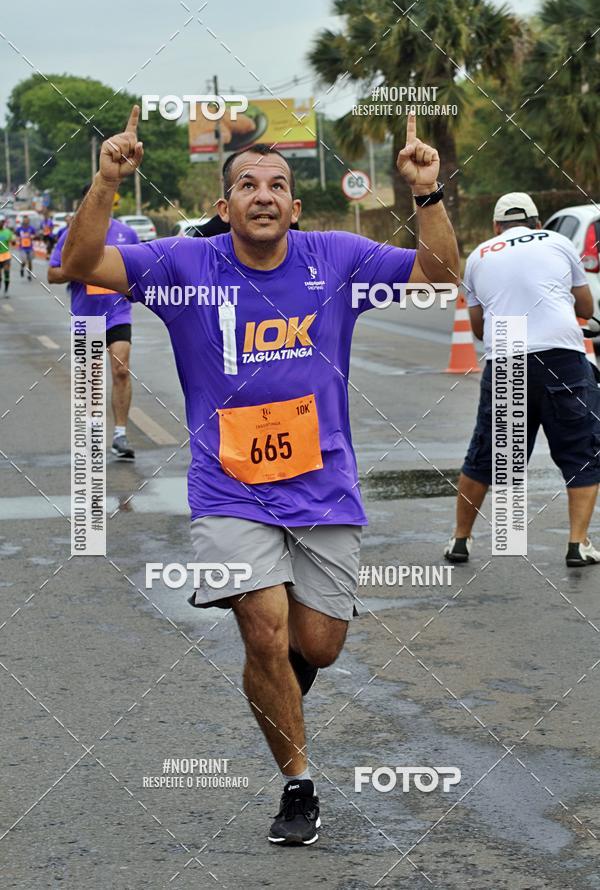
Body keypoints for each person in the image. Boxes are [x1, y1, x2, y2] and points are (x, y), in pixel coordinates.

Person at [61, 106, 459, 846]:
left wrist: (426, 195)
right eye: (248, 184)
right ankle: (298, 783)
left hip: (323, 483)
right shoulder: (183, 265)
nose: (264, 194)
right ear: (226, 206)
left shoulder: (336, 257)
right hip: (228, 486)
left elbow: (439, 274)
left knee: (320, 644)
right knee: (265, 631)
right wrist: (106, 183)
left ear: (295, 205)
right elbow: (82, 264)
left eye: (277, 184)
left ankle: (280, 690)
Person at [445, 192, 600, 568]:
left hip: (506, 357)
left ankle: (460, 541)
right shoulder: (559, 241)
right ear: (536, 221)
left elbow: (479, 328)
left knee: (487, 456)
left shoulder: (479, 256)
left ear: (497, 227)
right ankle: (577, 544)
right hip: (561, 355)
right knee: (582, 452)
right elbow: (586, 308)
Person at [48, 187, 139, 460]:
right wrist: (75, 269)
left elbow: (140, 271)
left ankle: (120, 435)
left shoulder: (127, 234)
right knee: (91, 378)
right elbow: (52, 273)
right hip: (86, 316)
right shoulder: (72, 236)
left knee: (121, 370)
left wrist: (135, 288)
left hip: (118, 314)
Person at [14, 214, 36, 281]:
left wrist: (33, 236)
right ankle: (22, 268)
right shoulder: (19, 229)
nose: (26, 221)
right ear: (23, 221)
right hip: (22, 247)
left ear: (29, 221)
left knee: (30, 261)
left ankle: (29, 274)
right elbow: (16, 235)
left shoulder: (31, 228)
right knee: (24, 261)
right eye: (25, 220)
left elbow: (35, 235)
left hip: (30, 247)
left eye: (27, 220)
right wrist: (17, 238)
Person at [0, 216, 14, 295]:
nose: (1, 223)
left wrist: (13, 241)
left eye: (2, 222)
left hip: (6, 255)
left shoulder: (7, 232)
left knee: (6, 272)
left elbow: (12, 241)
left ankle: (6, 289)